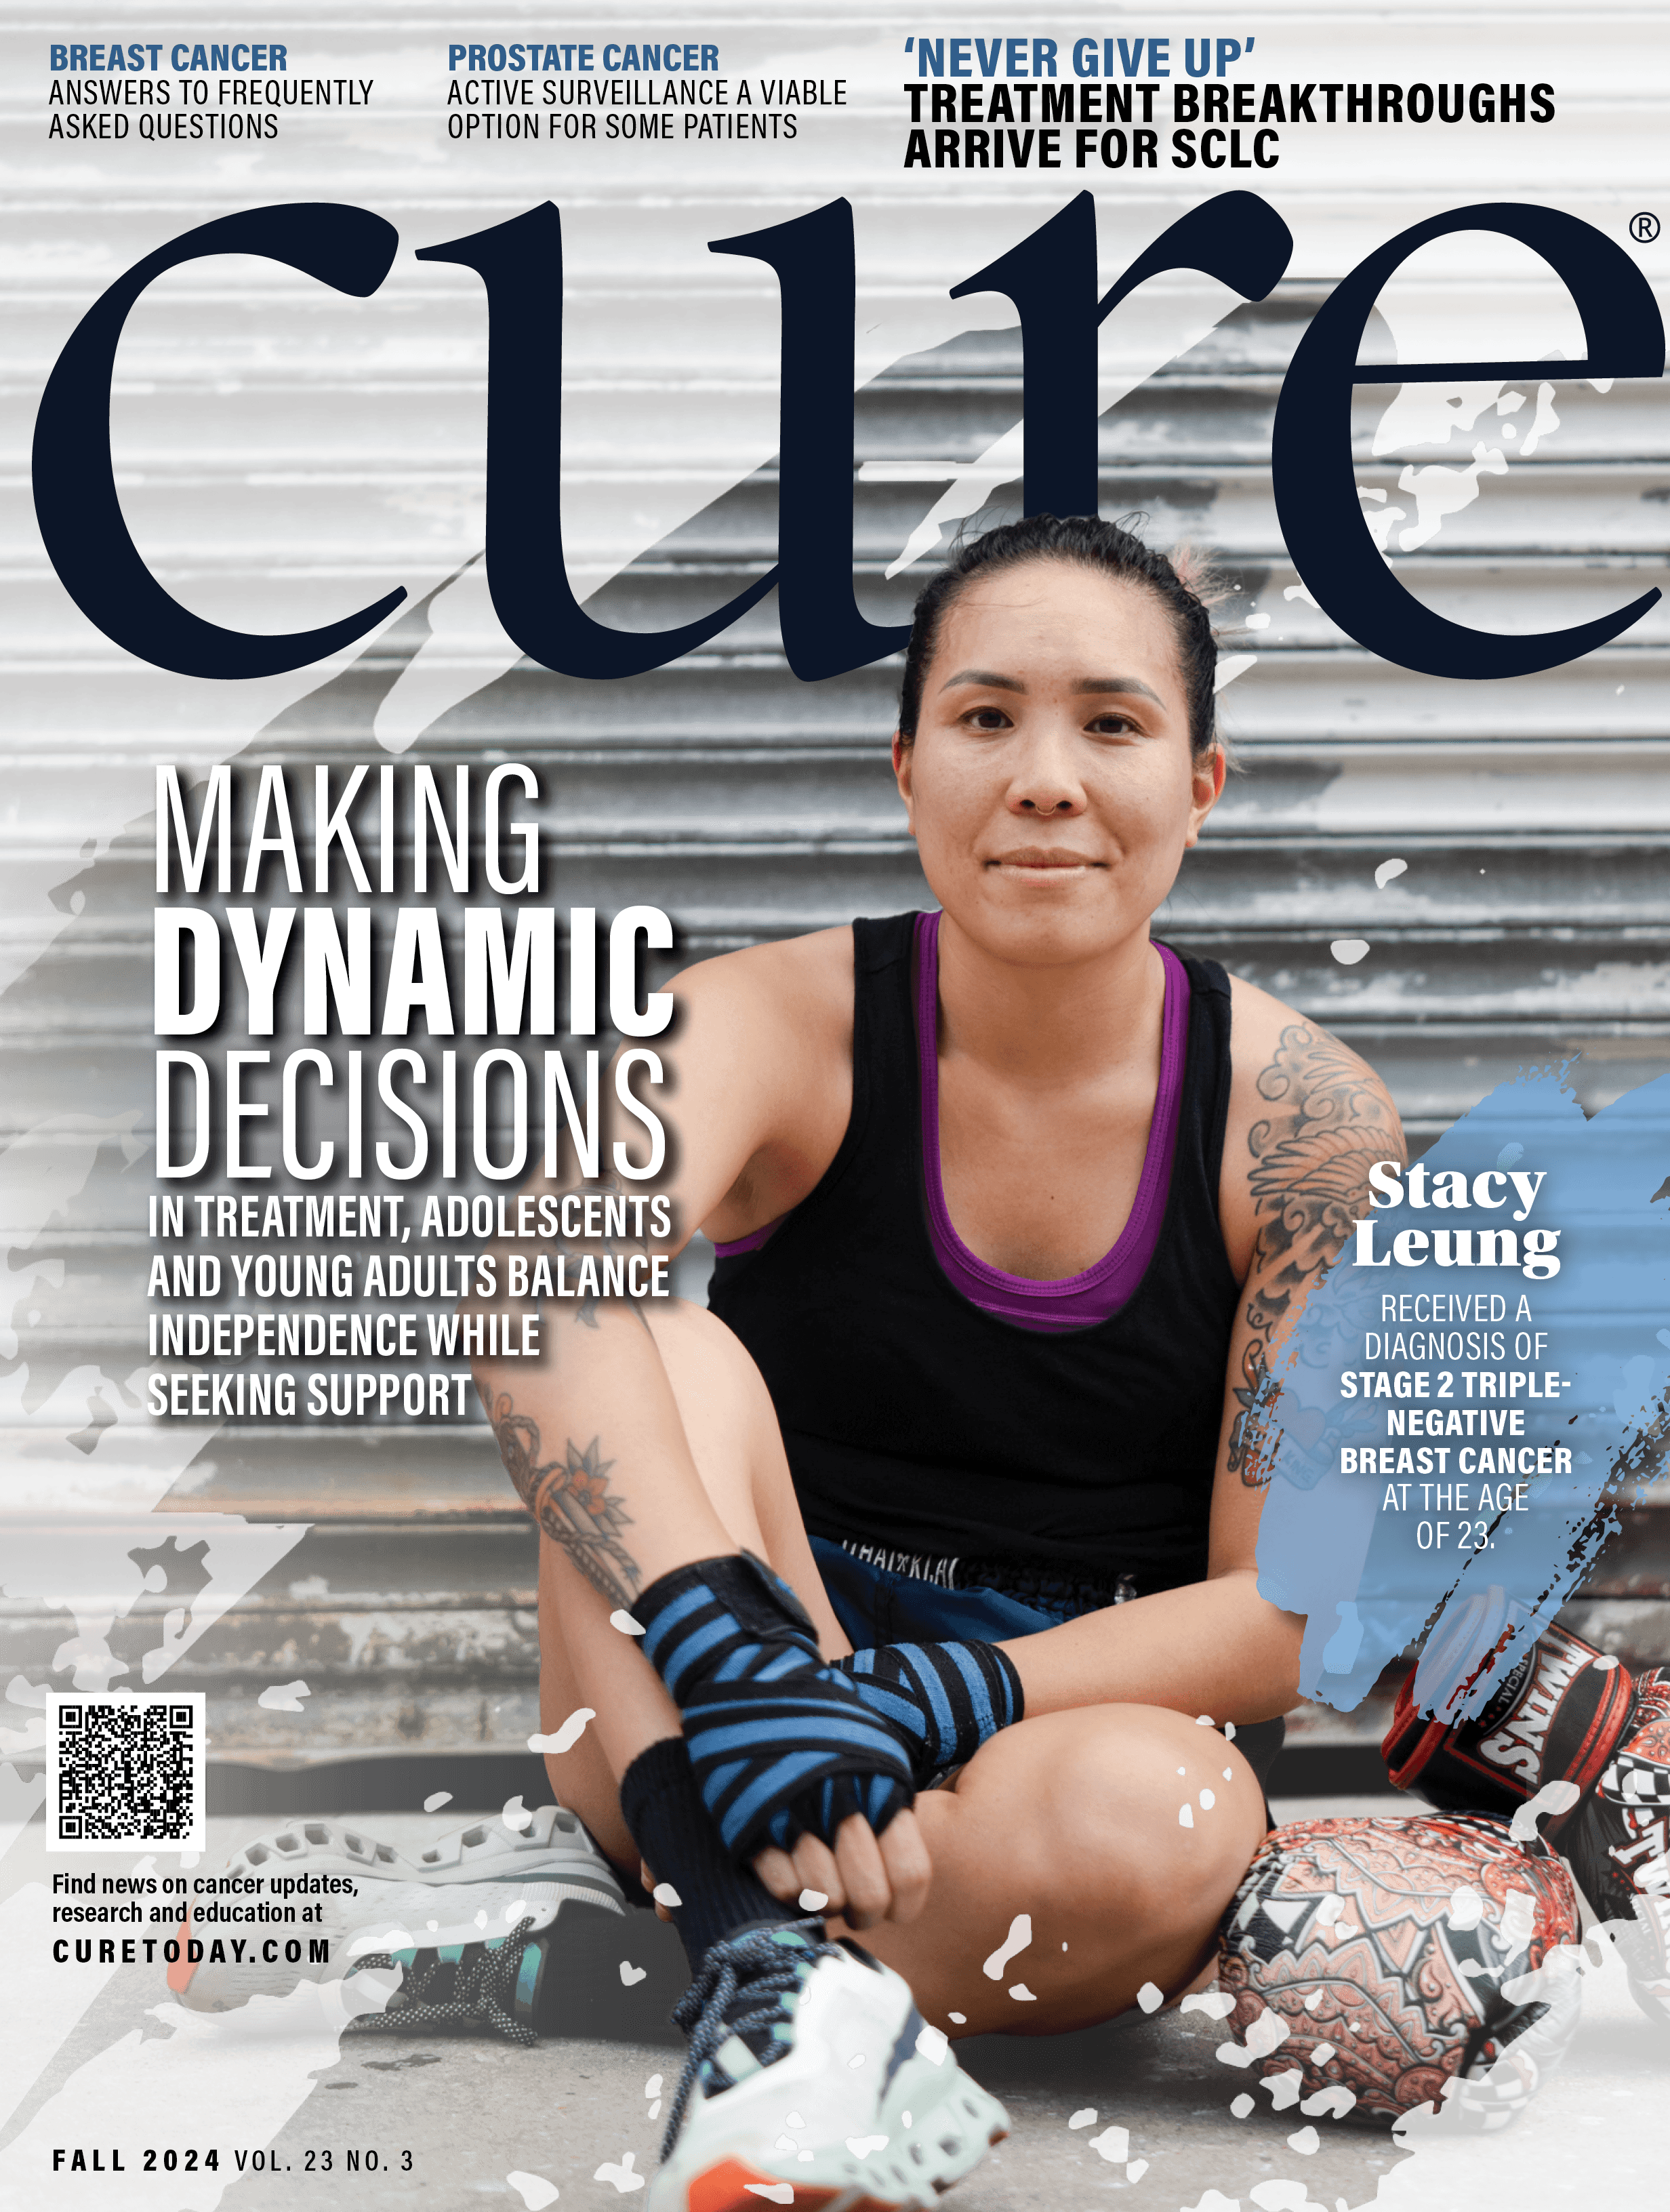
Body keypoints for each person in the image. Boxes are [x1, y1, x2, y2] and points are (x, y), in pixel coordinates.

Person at [174, 516, 1406, 2212]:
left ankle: (603, 1949)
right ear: (905, 768)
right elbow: (525, 1280)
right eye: (985, 718)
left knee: (1172, 1826)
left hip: (1040, 1761)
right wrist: (729, 1642)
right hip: (706, 1695)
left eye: (1110, 724)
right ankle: (767, 1974)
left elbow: (1293, 1609)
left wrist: (932, 1696)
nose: (1044, 778)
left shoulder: (1307, 1125)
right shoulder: (763, 1020)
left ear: (1202, 782)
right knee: (645, 1335)